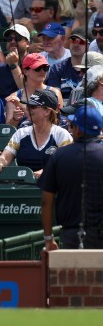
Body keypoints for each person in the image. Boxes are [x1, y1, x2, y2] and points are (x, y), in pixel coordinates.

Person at [40, 105, 103, 250]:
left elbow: (46, 202)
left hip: (72, 236)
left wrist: (48, 239)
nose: (70, 128)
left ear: (79, 130)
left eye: (72, 125)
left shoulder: (59, 156)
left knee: (76, 274)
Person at [0, 89, 72, 178]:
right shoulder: (21, 133)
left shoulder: (62, 135)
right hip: (24, 186)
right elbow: (5, 156)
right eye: (28, 106)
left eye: (33, 107)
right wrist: (0, 162)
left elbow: (65, 163)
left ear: (47, 111)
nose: (27, 109)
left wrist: (46, 172)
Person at [0, 24, 31, 102]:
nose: (12, 42)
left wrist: (13, 65)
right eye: (9, 39)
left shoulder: (34, 65)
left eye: (18, 38)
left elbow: (29, 92)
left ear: (27, 43)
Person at [46, 28, 88, 101]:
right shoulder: (57, 68)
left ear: (89, 45)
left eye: (81, 42)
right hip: (64, 109)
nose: (76, 44)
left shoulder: (94, 69)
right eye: (73, 40)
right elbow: (54, 97)